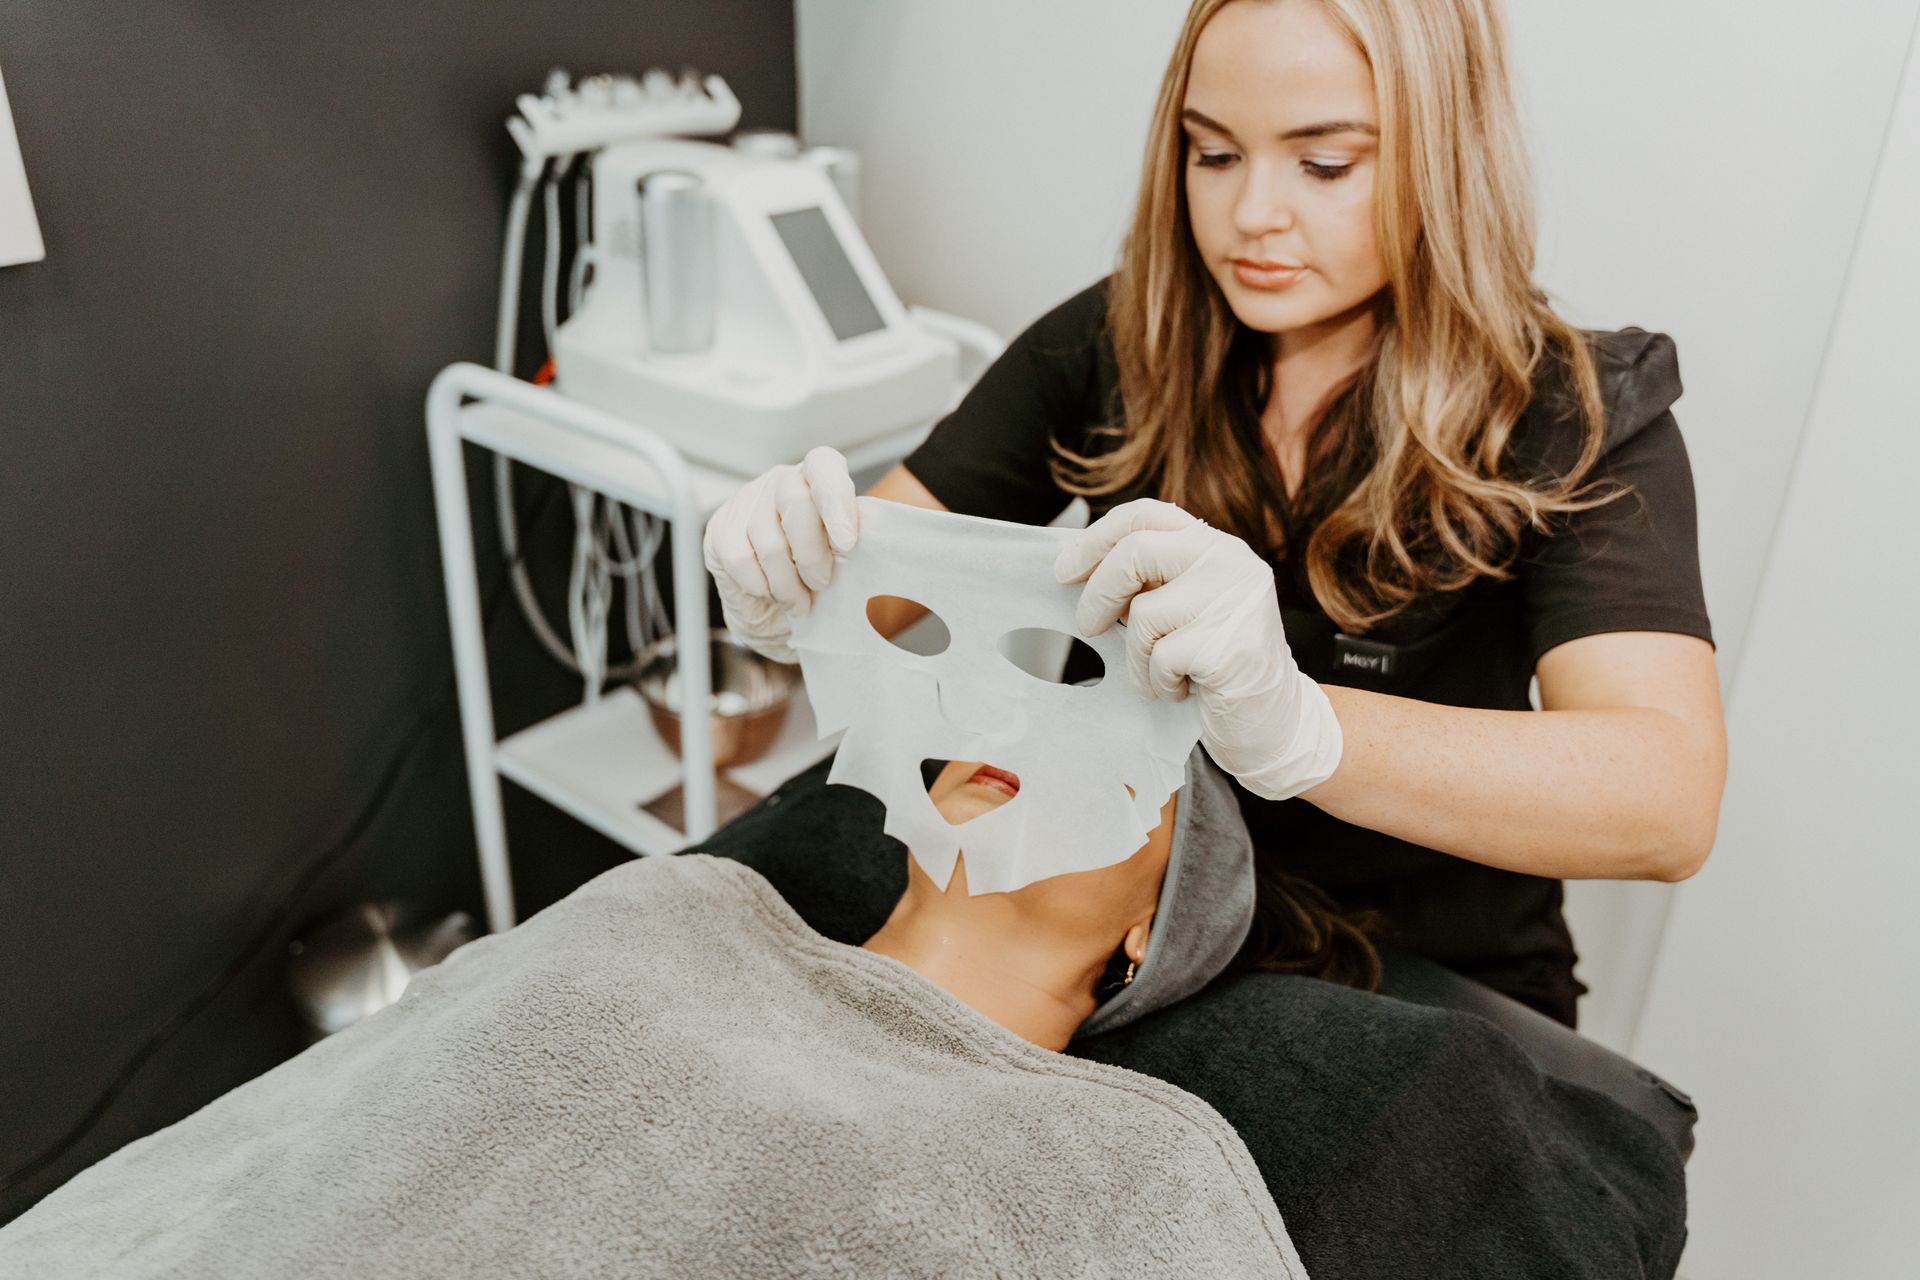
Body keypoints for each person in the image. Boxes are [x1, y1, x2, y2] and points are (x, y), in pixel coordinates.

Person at [704, 0, 1727, 1027]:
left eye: (1324, 165)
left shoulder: (1572, 412)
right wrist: (791, 583)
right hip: (1115, 927)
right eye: (1213, 154)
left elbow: (1666, 803)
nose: (1251, 217)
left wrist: (1304, 727)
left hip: (1417, 980)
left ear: (1444, 155)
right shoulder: (1121, 337)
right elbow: (879, 593)